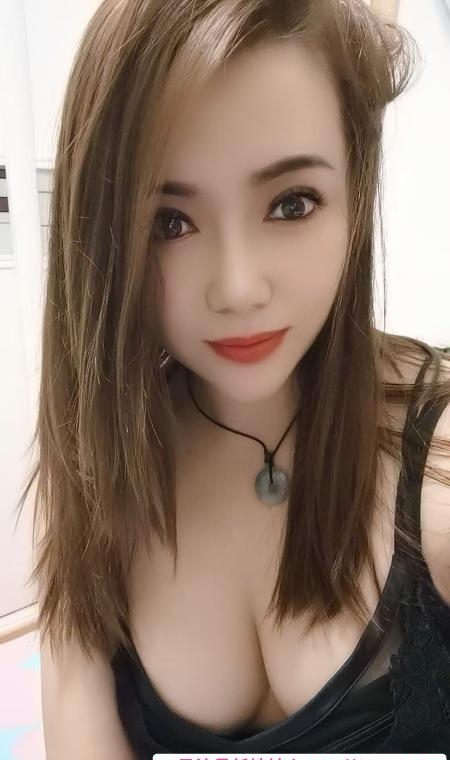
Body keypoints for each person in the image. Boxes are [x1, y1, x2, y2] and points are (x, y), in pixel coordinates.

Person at [16, 0, 450, 756]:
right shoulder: (98, 470)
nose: (238, 288)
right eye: (169, 222)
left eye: (291, 203)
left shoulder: (437, 457)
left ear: (355, 195)